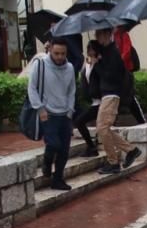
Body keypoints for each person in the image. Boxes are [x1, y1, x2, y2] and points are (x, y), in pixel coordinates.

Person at [29, 37, 77, 191]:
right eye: (56, 53)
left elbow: (72, 90)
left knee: (64, 150)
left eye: (63, 54)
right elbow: (32, 88)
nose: (60, 57)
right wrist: (40, 109)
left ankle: (58, 180)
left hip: (65, 115)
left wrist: (70, 110)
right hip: (48, 114)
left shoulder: (69, 67)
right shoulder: (40, 64)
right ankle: (47, 162)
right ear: (50, 50)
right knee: (54, 144)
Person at [93, 27, 141, 175]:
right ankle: (130, 150)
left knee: (102, 128)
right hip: (107, 94)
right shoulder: (107, 52)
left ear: (108, 34)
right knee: (103, 128)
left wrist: (97, 64)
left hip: (111, 95)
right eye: (96, 34)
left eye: (100, 34)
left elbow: (111, 76)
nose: (98, 37)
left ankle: (114, 162)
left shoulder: (113, 52)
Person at [72, 40, 103, 157]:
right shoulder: (88, 65)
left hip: (101, 102)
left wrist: (97, 64)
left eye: (92, 49)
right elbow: (85, 80)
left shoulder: (101, 64)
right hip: (94, 102)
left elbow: (103, 79)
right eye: (88, 49)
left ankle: (92, 147)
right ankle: (91, 146)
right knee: (80, 122)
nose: (90, 52)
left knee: (79, 122)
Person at [114, 24, 147, 124]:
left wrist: (119, 63)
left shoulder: (123, 34)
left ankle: (142, 121)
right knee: (113, 97)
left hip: (125, 70)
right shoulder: (109, 36)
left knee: (130, 97)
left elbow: (127, 51)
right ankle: (112, 123)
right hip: (113, 72)